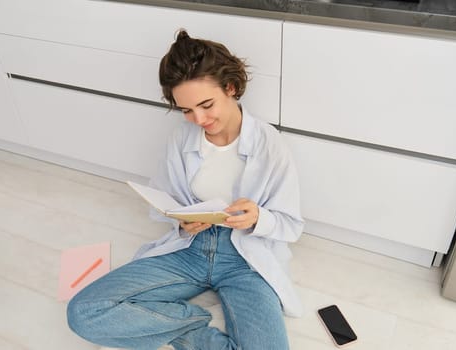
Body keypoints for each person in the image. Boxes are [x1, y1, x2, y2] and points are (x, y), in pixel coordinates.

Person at [66, 29, 304, 350]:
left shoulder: (270, 144)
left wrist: (258, 217)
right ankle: (189, 326)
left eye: (206, 105)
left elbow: (291, 224)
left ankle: (164, 326)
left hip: (245, 260)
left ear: (231, 88)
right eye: (187, 110)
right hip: (189, 250)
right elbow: (165, 198)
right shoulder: (181, 139)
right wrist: (182, 222)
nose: (198, 119)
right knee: (83, 312)